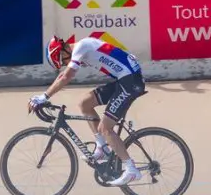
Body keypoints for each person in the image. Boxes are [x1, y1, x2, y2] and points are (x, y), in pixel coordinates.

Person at [31, 36, 148, 187]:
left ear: (64, 50)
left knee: (105, 128)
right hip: (125, 78)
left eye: (63, 61)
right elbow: (65, 74)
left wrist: (44, 96)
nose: (65, 64)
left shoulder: (81, 46)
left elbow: (66, 76)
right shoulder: (84, 46)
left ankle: (131, 170)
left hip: (130, 81)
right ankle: (102, 148)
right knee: (85, 104)